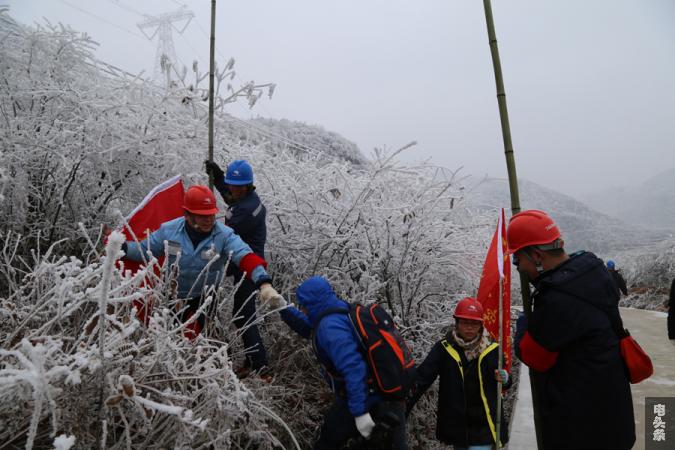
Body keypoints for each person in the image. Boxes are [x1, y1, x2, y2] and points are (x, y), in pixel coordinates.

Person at [509, 210, 635, 450]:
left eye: (518, 260)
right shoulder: (592, 269)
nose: (519, 268)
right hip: (615, 414)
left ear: (537, 255)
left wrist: (525, 322)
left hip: (583, 428)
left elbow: (533, 356)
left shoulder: (557, 298)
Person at [123, 185, 285, 342]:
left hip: (206, 297)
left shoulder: (224, 235)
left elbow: (244, 255)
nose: (209, 220)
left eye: (211, 215)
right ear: (187, 214)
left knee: (208, 341)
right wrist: (121, 247)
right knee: (168, 340)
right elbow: (143, 251)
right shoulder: (169, 231)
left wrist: (264, 282)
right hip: (172, 296)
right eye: (202, 216)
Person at [278, 276, 408, 450]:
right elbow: (311, 329)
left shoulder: (329, 327)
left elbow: (354, 368)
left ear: (311, 304)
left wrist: (359, 413)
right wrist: (282, 306)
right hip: (383, 394)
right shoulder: (340, 311)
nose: (302, 309)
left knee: (328, 443)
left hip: (369, 399)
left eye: (303, 305)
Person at [407, 297, 510, 450]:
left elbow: (505, 381)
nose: (469, 328)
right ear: (457, 323)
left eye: (474, 323)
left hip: (484, 423)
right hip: (458, 424)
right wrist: (403, 403)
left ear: (481, 325)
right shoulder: (444, 348)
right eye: (465, 322)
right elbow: (422, 377)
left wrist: (505, 379)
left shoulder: (492, 349)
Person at [205, 159, 269, 375]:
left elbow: (221, 234)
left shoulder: (248, 209)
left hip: (249, 264)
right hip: (238, 261)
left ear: (249, 185)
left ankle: (261, 367)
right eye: (231, 184)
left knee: (243, 314)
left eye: (238, 186)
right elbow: (231, 196)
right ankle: (252, 361)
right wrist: (220, 177)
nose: (233, 189)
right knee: (236, 312)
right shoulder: (245, 198)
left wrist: (198, 222)